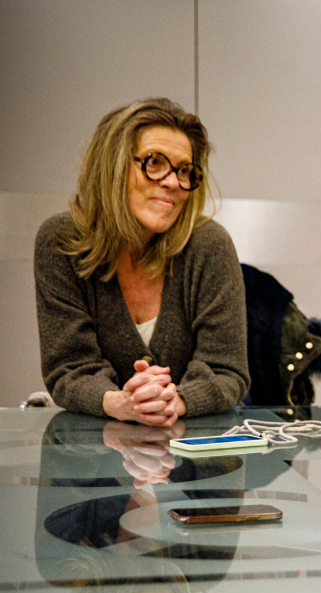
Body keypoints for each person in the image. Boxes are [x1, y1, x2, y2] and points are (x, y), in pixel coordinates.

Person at [34, 98, 249, 427]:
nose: (173, 182)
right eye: (154, 163)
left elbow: (226, 371)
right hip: (93, 464)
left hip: (194, 463)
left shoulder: (209, 245)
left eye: (184, 170)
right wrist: (120, 403)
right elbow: (69, 368)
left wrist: (172, 402)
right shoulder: (61, 243)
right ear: (114, 166)